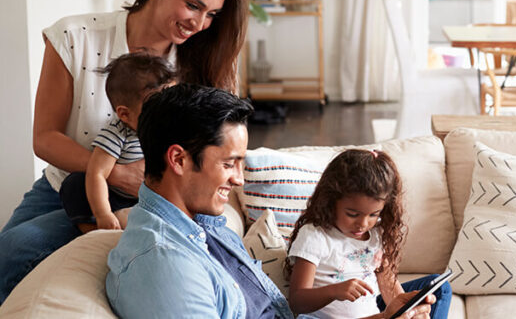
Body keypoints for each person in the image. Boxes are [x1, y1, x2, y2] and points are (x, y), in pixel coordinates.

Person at [0, 0, 247, 303]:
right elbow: (46, 138)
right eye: (193, 5)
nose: (199, 23)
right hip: (64, 185)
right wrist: (112, 171)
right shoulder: (75, 37)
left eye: (211, 14)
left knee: (17, 250)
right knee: (8, 252)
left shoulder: (198, 64)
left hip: (148, 200)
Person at [106, 84, 435, 319]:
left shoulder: (203, 224)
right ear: (178, 159)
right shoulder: (165, 265)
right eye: (228, 163)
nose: (239, 179)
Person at [286, 149, 452, 319]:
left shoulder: (375, 235)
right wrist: (334, 291)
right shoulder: (315, 235)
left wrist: (407, 310)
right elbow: (297, 300)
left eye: (373, 214)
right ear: (330, 201)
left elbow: (389, 287)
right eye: (352, 214)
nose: (363, 224)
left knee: (439, 288)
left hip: (375, 315)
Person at [58, 53, 176, 233]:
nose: (167, 114)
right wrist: (103, 213)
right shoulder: (117, 134)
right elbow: (97, 173)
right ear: (125, 114)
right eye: (156, 107)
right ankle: (94, 230)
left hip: (154, 199)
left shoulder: (172, 130)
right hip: (117, 199)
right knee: (76, 183)